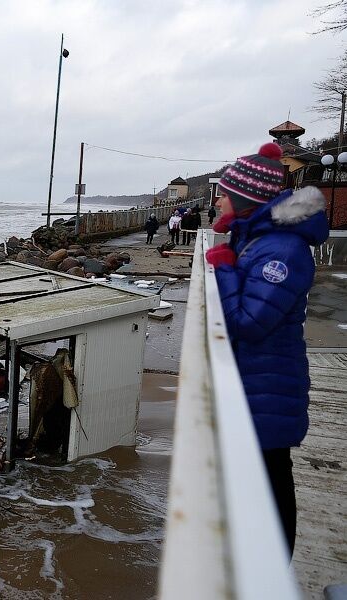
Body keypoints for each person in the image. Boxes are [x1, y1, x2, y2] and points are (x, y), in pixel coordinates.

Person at [204, 142, 329, 558]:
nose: (217, 200)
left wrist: (224, 267)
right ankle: (255, 559)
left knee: (272, 479)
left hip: (268, 385)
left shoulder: (282, 250)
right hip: (258, 379)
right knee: (261, 477)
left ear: (244, 200)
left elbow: (249, 322)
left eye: (223, 194)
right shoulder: (259, 239)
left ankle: (271, 572)